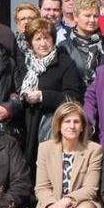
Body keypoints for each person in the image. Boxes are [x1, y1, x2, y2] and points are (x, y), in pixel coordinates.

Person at [33, 102, 103, 208]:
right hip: (52, 204)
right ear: (58, 125)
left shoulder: (94, 149)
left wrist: (66, 202)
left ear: (82, 127)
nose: (72, 126)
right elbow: (41, 187)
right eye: (67, 121)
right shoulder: (45, 148)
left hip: (80, 203)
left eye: (76, 122)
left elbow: (91, 188)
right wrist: (53, 206)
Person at [19, 18, 84, 170]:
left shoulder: (65, 63)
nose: (43, 43)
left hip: (51, 126)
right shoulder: (23, 64)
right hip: (26, 126)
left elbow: (73, 97)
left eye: (47, 38)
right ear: (30, 42)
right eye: (38, 39)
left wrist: (43, 96)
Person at [58, 0, 104, 88]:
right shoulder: (64, 47)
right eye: (87, 16)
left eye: (95, 16)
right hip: (77, 98)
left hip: (103, 97)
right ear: (75, 17)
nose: (92, 20)